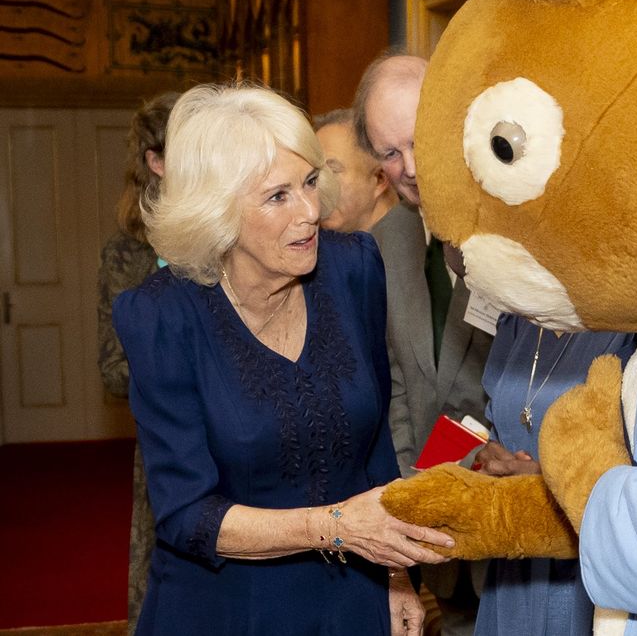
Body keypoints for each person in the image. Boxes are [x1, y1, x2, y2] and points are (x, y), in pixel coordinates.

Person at [112, 83, 453, 635]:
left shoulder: (353, 268)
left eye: (311, 182)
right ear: (216, 211)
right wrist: (336, 527)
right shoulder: (161, 317)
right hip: (227, 607)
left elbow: (376, 450)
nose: (312, 211)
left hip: (352, 598)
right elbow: (185, 514)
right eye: (278, 196)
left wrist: (396, 579)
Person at [353, 51, 493, 635]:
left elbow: (509, 390)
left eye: (418, 140)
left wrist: (444, 477)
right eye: (389, 152)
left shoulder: (512, 229)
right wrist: (416, 500)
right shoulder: (387, 242)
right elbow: (400, 394)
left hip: (516, 533)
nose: (409, 167)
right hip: (439, 549)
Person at [473, 315, 637, 636]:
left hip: (584, 563)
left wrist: (554, 477)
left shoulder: (632, 324)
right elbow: (499, 417)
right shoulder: (519, 320)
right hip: (514, 560)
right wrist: (490, 456)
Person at [97, 91, 177, 635]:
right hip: (168, 446)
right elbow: (112, 371)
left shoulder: (236, 232)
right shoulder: (127, 252)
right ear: (156, 161)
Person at [314, 107, 397, 233]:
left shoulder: (414, 247)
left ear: (379, 179)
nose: (317, 188)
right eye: (313, 176)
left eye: (332, 171)